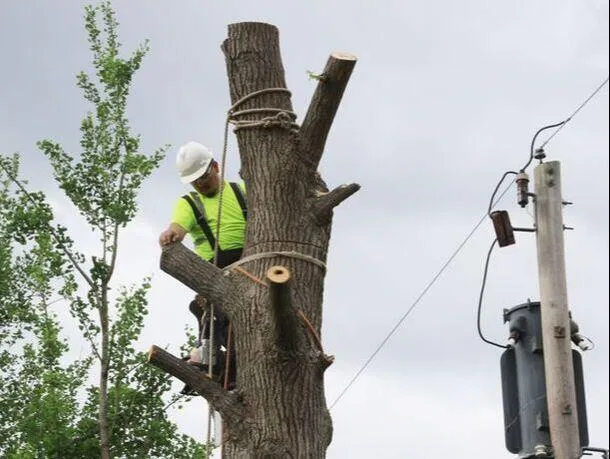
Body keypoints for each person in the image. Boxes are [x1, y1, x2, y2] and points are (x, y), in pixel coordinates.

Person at [159, 141, 247, 391]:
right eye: (194, 181)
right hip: (215, 270)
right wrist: (170, 235)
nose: (200, 184)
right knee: (212, 312)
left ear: (216, 167)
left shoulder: (242, 191)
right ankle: (213, 360)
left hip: (250, 263)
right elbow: (178, 228)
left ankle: (226, 364)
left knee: (233, 319)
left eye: (203, 178)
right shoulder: (189, 203)